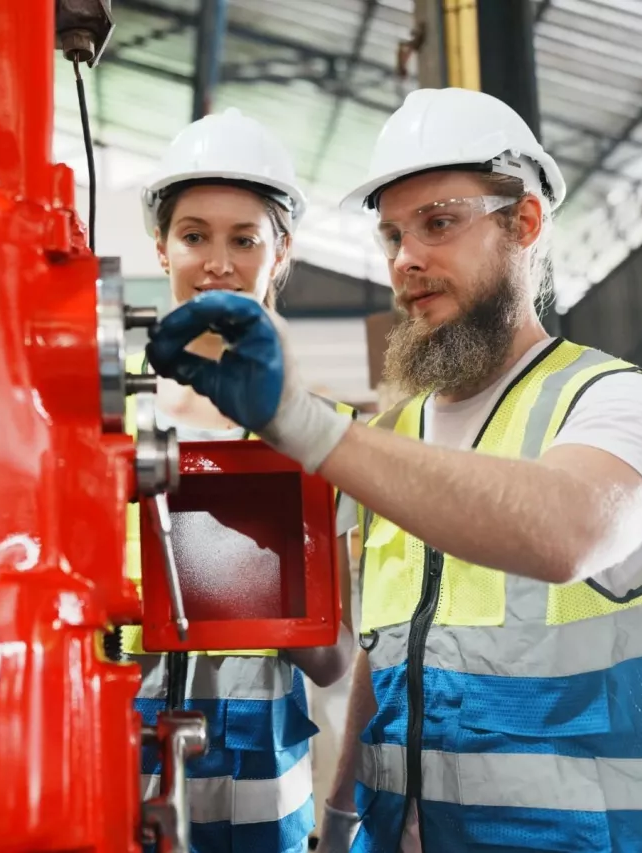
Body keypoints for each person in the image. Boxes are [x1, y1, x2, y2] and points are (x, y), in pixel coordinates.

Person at [143, 88, 642, 853]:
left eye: (440, 222)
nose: (407, 258)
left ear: (525, 223)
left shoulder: (621, 400)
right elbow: (384, 658)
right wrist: (339, 819)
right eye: (391, 235)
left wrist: (304, 427)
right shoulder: (392, 437)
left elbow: (567, 529)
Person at [123, 107, 360, 853]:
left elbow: (335, 658)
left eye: (244, 238)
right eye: (194, 235)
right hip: (124, 760)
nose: (217, 261)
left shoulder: (326, 436)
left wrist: (267, 588)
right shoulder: (106, 428)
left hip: (269, 791)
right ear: (161, 248)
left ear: (281, 251)